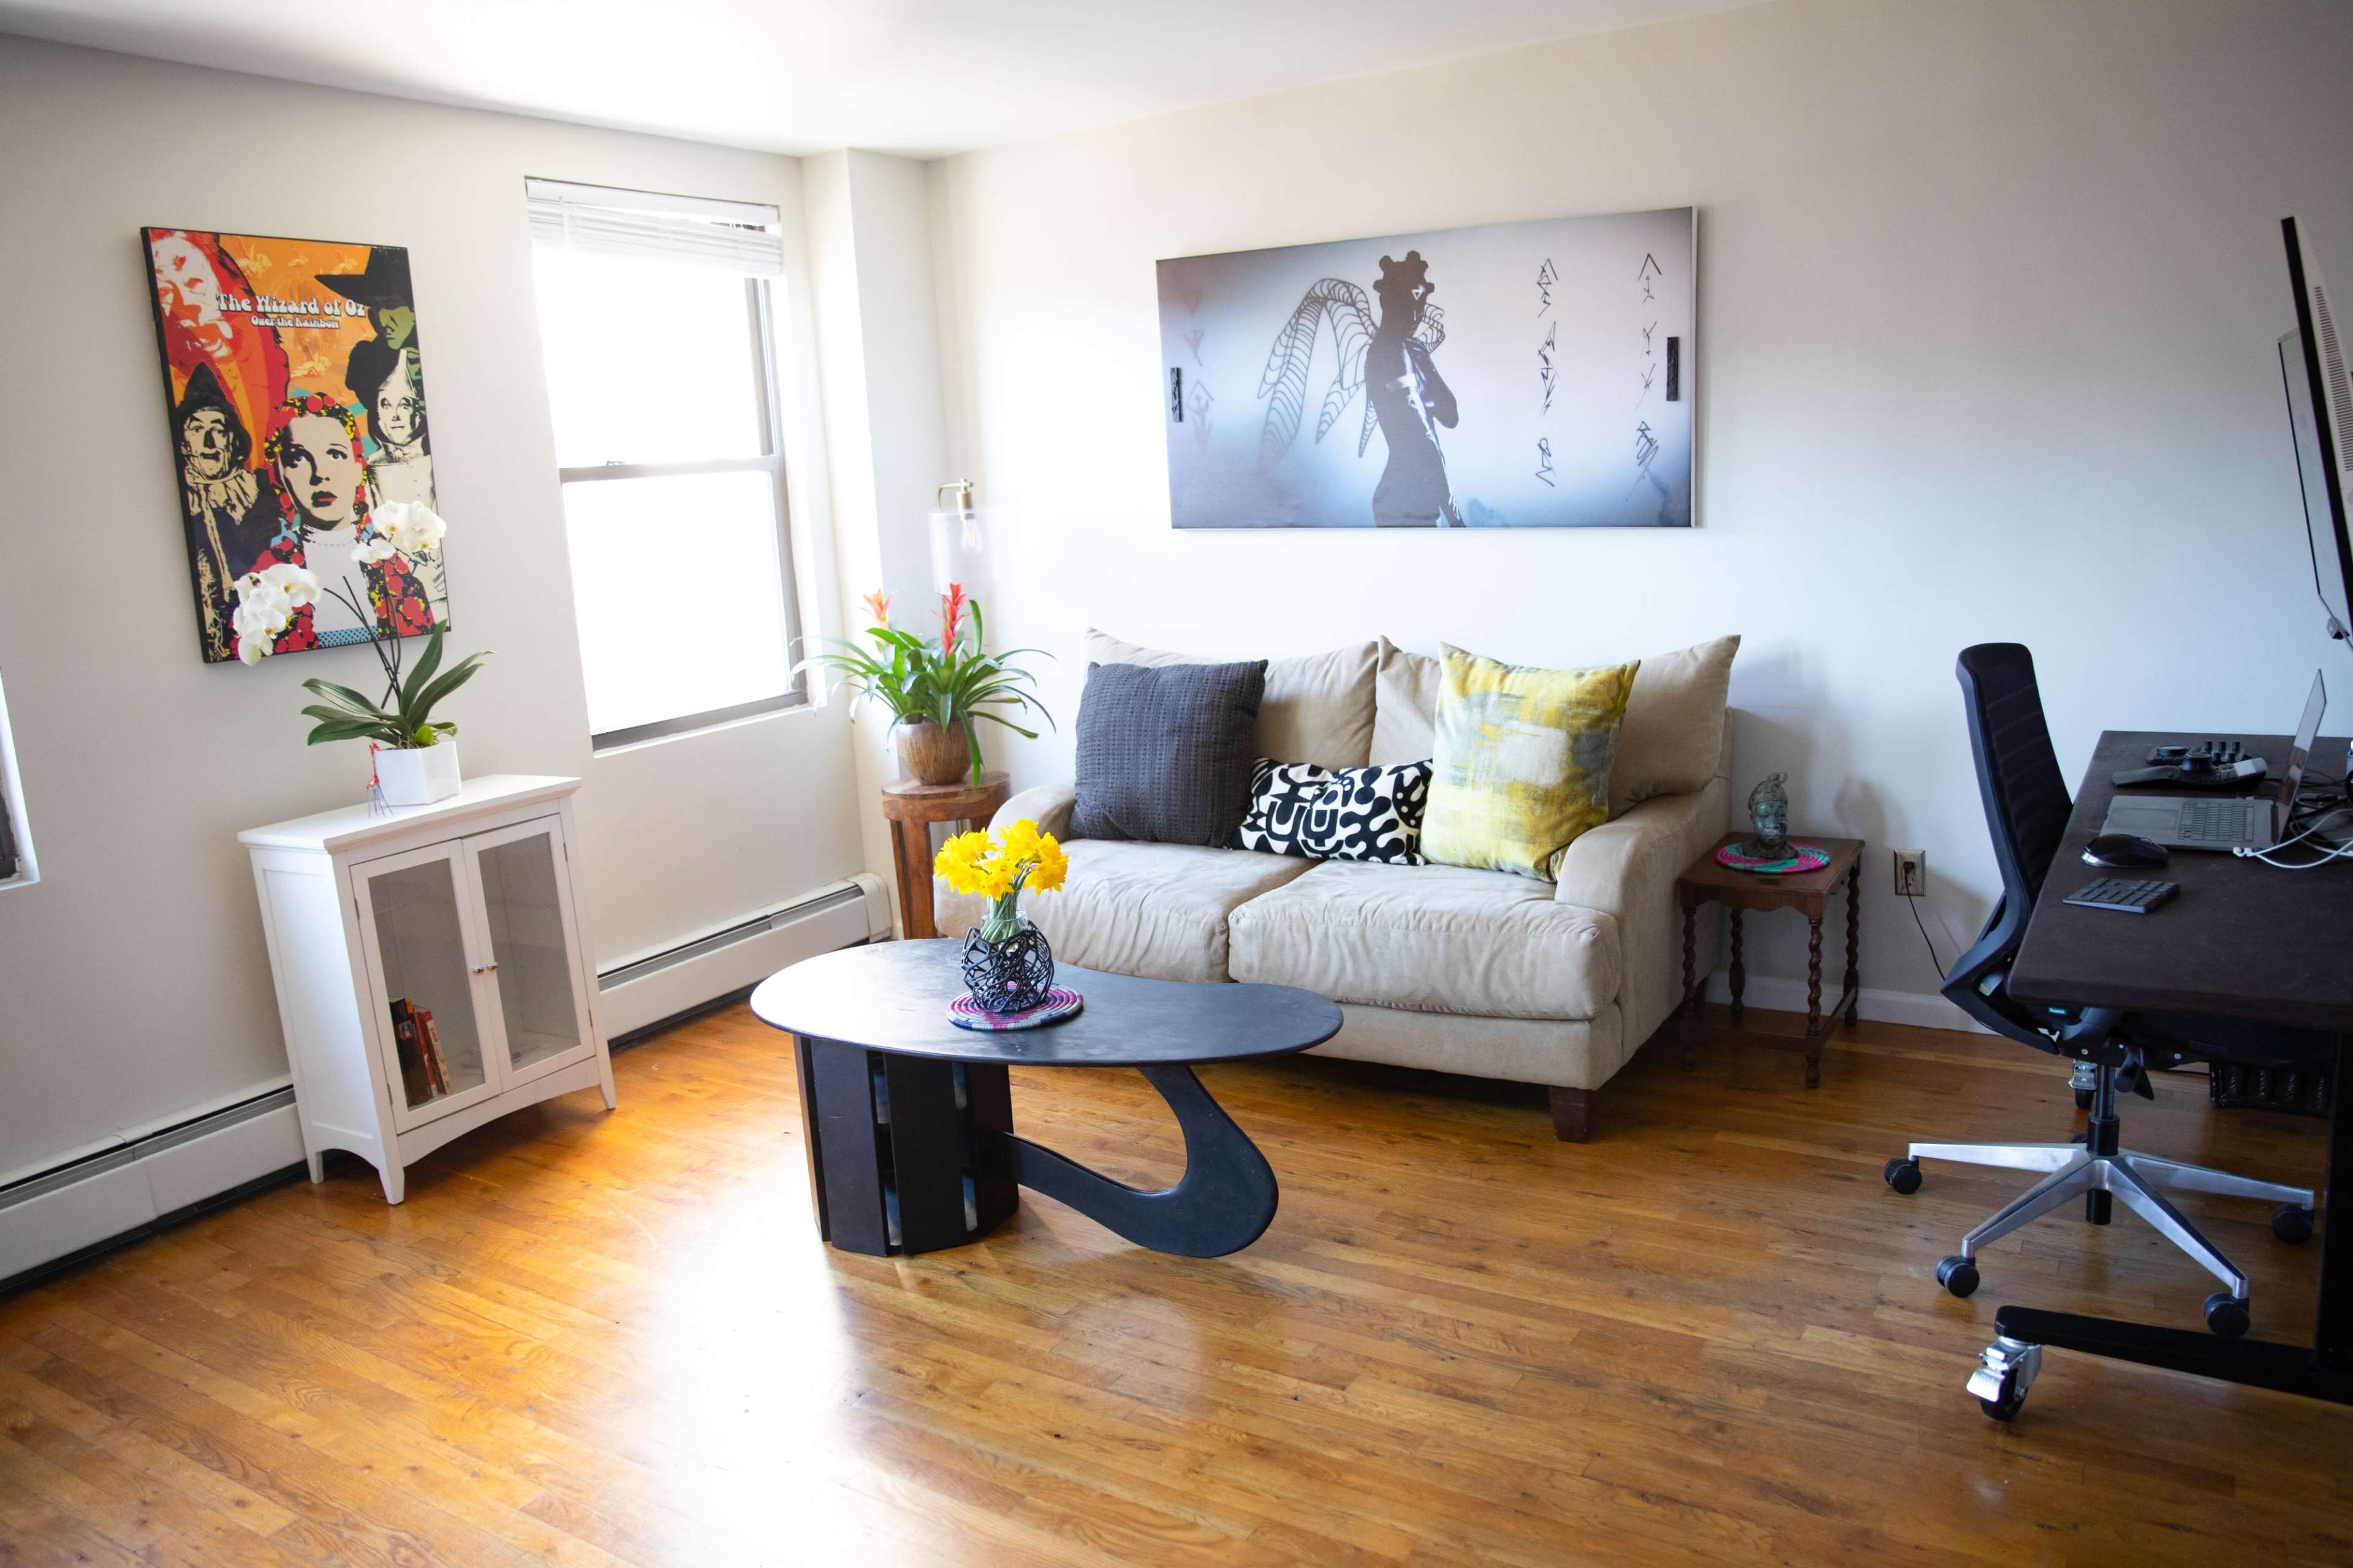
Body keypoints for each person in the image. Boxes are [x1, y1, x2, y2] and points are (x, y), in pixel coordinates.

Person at [232, 395, 436, 662]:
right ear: (280, 474)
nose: (320, 474)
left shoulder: (393, 568)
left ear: (356, 468)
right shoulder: (269, 580)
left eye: (335, 454)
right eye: (299, 459)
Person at [172, 366, 278, 661]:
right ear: (183, 442)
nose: (209, 442)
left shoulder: (259, 491)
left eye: (218, 430)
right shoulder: (179, 499)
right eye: (197, 429)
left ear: (232, 441)